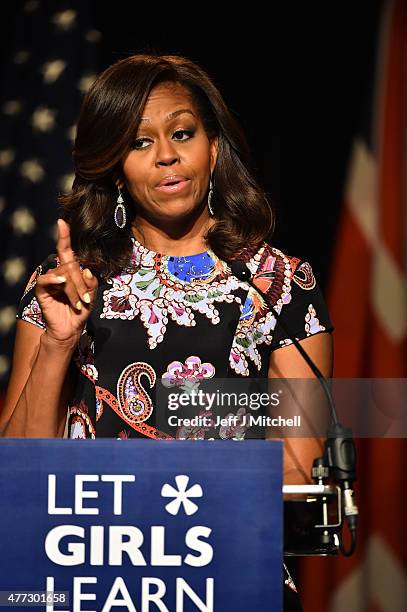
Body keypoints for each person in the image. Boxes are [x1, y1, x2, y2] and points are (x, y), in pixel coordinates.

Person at [0, 53, 334, 609]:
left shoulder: (279, 286)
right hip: (89, 581)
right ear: (114, 167)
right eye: (138, 143)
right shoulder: (68, 284)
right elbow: (21, 475)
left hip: (224, 578)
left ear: (214, 147)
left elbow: (298, 478)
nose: (166, 157)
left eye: (182, 133)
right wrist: (59, 343)